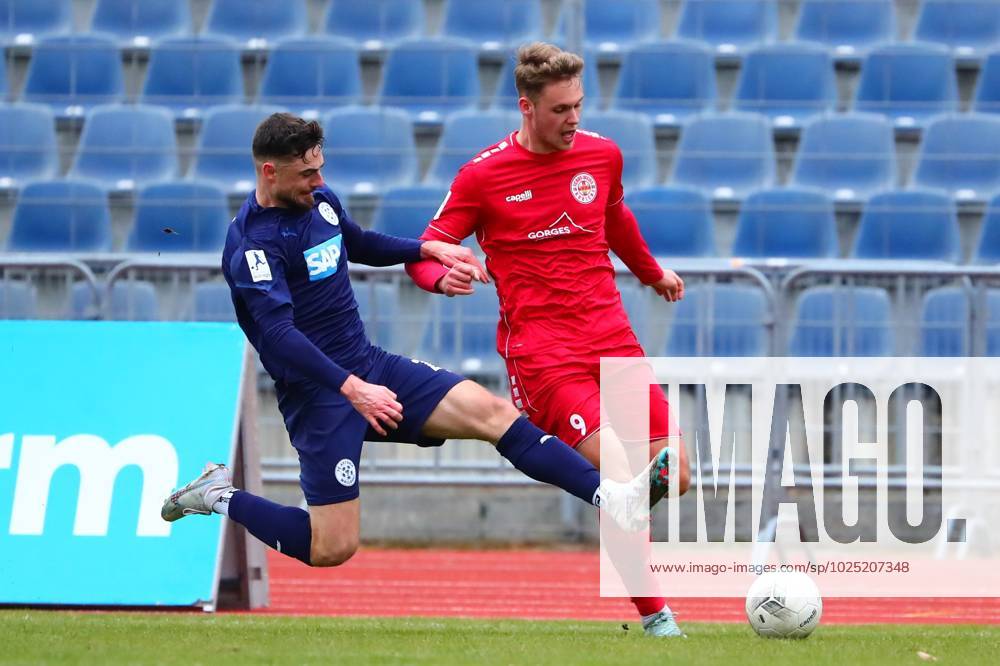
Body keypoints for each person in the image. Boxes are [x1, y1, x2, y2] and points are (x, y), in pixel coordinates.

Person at [161, 113, 675, 571]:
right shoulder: (253, 245)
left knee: (491, 412)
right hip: (321, 395)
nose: (319, 182)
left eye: (320, 169)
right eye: (307, 174)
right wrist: (351, 389)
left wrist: (424, 246)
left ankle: (615, 500)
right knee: (332, 547)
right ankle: (217, 494)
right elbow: (278, 334)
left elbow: (357, 242)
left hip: (370, 366)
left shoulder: (320, 202)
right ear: (269, 172)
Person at [405, 43, 693, 637]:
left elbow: (616, 219)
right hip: (543, 355)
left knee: (677, 471)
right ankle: (656, 615)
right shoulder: (483, 175)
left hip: (612, 338)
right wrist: (443, 274)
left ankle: (628, 539)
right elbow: (423, 252)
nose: (574, 119)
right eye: (561, 108)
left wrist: (651, 272)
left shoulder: (602, 156)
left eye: (579, 105)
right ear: (527, 107)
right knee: (618, 475)